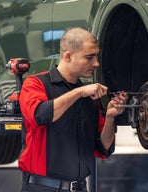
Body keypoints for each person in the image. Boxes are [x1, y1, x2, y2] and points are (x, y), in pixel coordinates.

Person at [18, 27, 128, 192]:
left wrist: (111, 117)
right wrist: (79, 92)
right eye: (89, 57)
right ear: (68, 56)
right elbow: (40, 115)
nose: (96, 63)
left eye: (96, 56)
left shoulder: (89, 97)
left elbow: (103, 148)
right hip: (42, 187)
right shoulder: (35, 84)